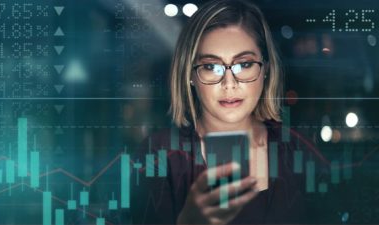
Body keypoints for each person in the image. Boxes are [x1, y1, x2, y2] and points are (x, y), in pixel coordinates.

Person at [131, 0, 307, 224]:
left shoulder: (296, 149)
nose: (229, 83)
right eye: (211, 67)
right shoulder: (157, 157)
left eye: (244, 64)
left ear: (266, 69)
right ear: (190, 75)